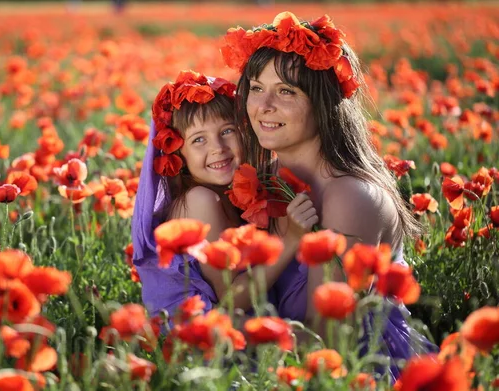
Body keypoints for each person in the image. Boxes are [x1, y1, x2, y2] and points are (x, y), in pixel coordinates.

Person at [220, 12, 436, 383]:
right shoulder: (266, 179)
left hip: (359, 373)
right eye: (256, 87)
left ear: (323, 101)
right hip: (284, 362)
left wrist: (237, 335)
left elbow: (329, 339)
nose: (263, 105)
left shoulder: (349, 196)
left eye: (286, 91)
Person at [131, 70, 317, 322]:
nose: (217, 148)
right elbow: (230, 302)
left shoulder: (233, 191)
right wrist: (291, 240)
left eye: (227, 131)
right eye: (199, 140)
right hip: (205, 342)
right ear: (178, 156)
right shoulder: (200, 200)